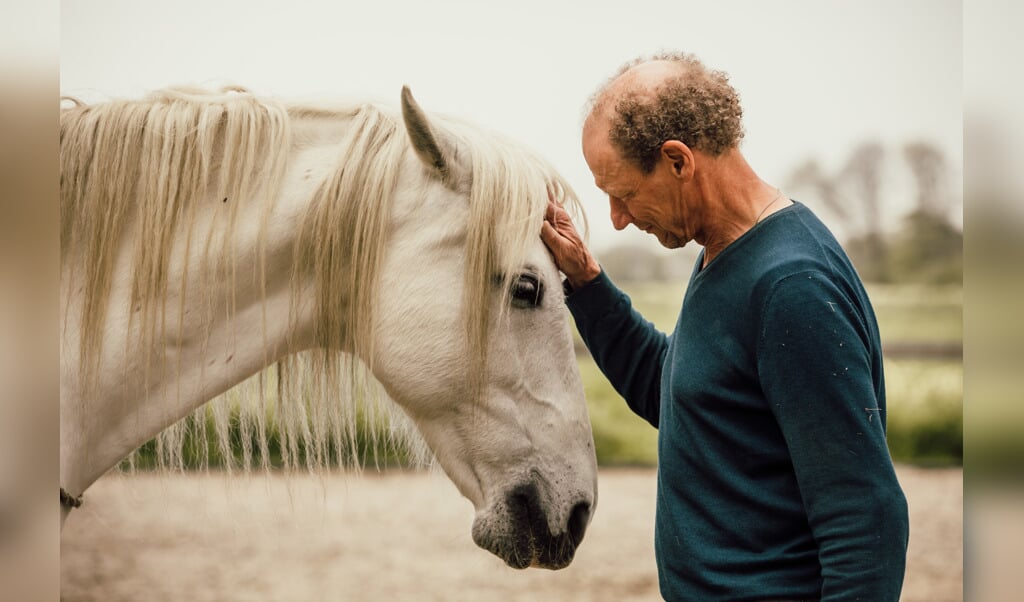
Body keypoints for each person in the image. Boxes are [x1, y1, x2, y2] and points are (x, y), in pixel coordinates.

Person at [541, 52, 909, 601]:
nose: (617, 217)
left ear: (677, 161)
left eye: (624, 193)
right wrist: (589, 284)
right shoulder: (726, 251)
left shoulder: (791, 286)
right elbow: (684, 395)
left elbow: (865, 515)